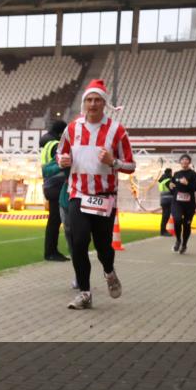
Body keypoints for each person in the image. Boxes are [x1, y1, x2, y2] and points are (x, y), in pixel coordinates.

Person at [57, 79, 136, 310]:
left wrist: (114, 162)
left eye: (97, 100)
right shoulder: (72, 128)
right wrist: (62, 160)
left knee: (103, 247)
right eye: (89, 100)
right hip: (78, 194)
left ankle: (109, 272)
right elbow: (60, 155)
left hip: (104, 198)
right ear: (84, 103)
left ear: (104, 103)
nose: (92, 104)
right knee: (79, 242)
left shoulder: (116, 130)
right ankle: (84, 293)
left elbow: (131, 165)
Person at [39, 120, 70, 261]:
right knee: (56, 220)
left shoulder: (47, 145)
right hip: (58, 185)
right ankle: (51, 252)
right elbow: (62, 164)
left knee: (53, 220)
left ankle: (50, 251)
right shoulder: (57, 145)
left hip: (49, 185)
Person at [169, 154, 196, 254]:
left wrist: (187, 183)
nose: (184, 161)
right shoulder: (176, 174)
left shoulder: (193, 174)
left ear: (189, 162)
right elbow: (173, 188)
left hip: (189, 205)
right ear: (180, 162)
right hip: (177, 203)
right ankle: (178, 240)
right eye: (182, 159)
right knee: (177, 219)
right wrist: (170, 186)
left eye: (186, 159)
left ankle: (184, 244)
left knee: (186, 225)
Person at [157, 167, 174, 236]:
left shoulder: (162, 181)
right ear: (170, 172)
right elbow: (173, 190)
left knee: (165, 216)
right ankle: (163, 231)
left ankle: (163, 230)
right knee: (166, 216)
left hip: (163, 200)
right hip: (168, 200)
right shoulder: (168, 180)